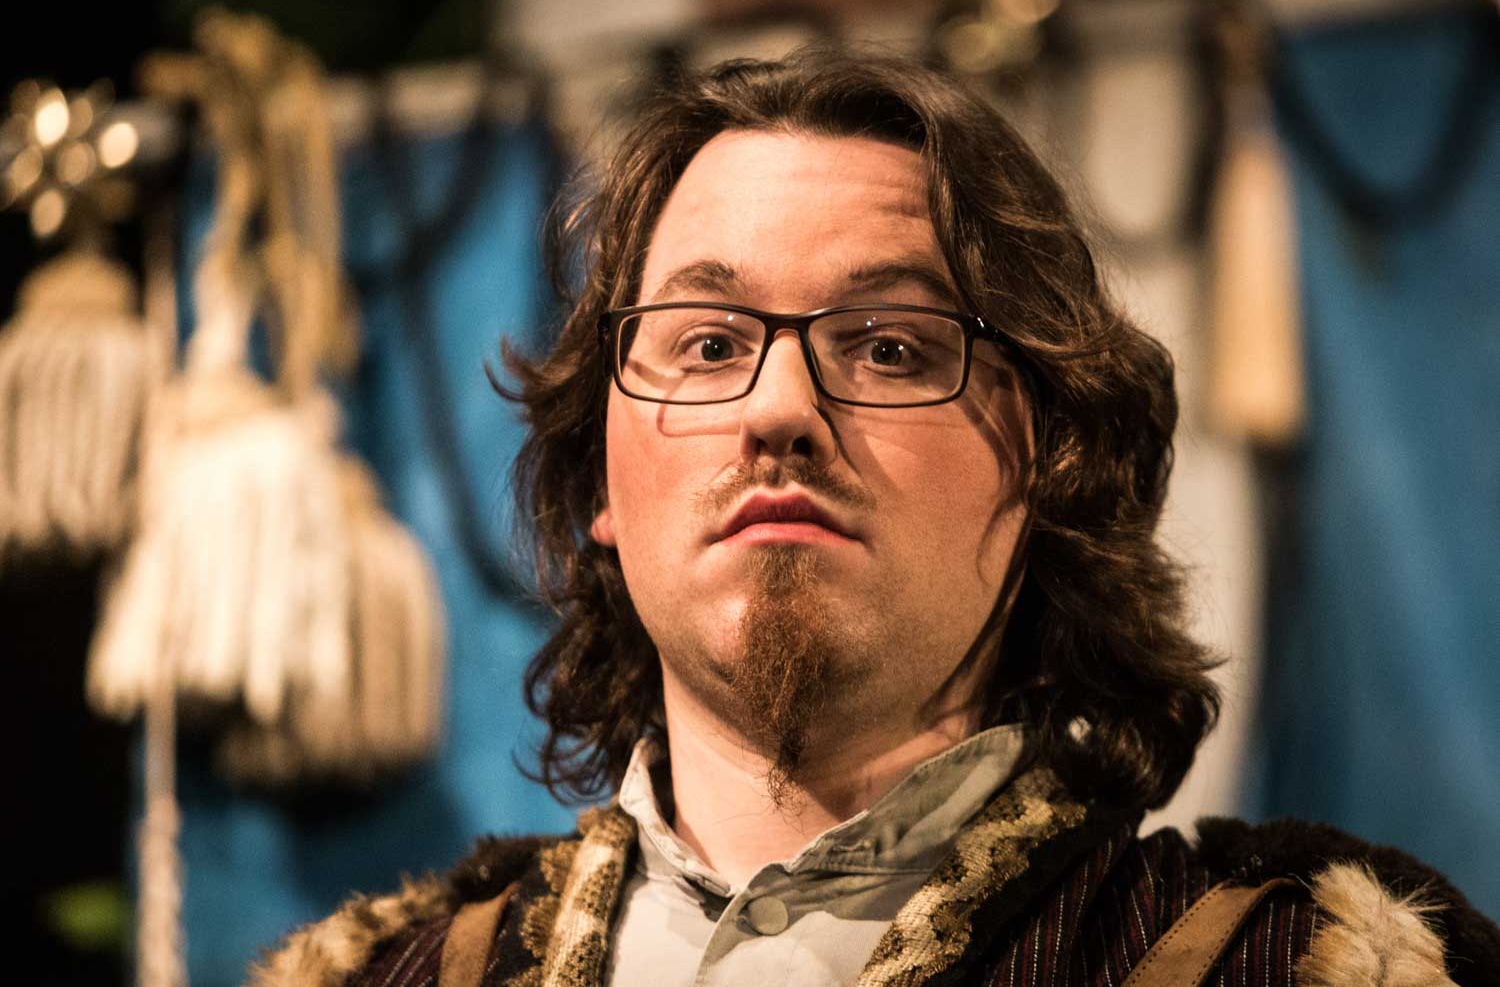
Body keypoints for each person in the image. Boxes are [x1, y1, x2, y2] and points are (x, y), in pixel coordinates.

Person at [253, 49, 1499, 987]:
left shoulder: (1290, 966)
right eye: (706, 343)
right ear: (598, 487)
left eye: (893, 346)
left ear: (1051, 468)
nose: (778, 407)